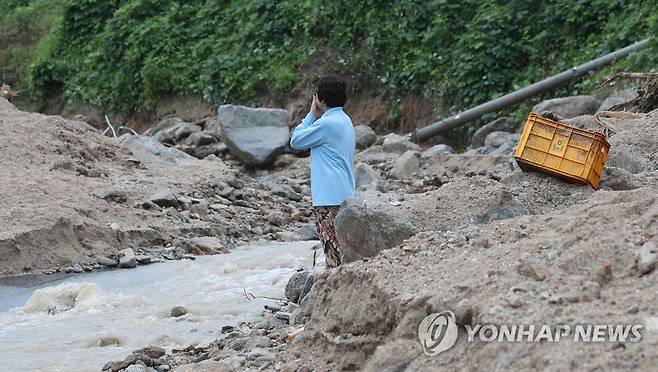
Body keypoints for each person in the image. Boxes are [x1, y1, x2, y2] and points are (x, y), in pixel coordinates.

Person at [290, 75, 355, 269]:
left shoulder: (327, 123)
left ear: (320, 98)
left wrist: (311, 114)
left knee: (333, 253)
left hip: (328, 199)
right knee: (342, 248)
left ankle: (337, 295)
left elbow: (296, 141)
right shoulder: (345, 120)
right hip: (344, 194)